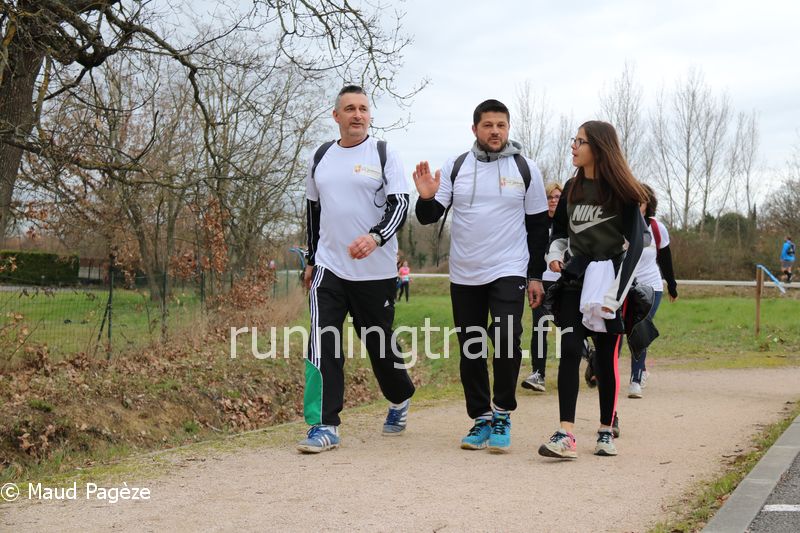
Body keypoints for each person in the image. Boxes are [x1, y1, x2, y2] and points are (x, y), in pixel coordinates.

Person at [414, 99, 550, 453]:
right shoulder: (457, 166)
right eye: (488, 125)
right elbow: (429, 215)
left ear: (508, 128)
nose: (495, 131)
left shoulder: (526, 168)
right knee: (472, 347)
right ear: (475, 129)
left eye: (501, 125)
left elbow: (538, 226)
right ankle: (481, 417)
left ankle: (502, 412)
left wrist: (535, 275)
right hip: (465, 272)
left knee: (506, 337)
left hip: (509, 267)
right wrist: (426, 197)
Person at [297, 85, 415, 453]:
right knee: (323, 342)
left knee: (378, 343)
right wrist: (311, 259)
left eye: (363, 108)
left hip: (375, 272)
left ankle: (400, 396)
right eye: (350, 108)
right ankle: (324, 424)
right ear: (336, 116)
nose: (357, 115)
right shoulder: (321, 156)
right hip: (329, 268)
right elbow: (313, 212)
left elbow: (400, 204)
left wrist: (376, 237)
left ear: (370, 115)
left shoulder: (384, 153)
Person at [538, 120, 647, 459]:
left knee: (604, 357)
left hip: (610, 282)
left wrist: (616, 295)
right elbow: (558, 234)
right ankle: (566, 434)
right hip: (575, 279)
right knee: (570, 349)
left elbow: (636, 246)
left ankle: (604, 430)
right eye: (574, 140)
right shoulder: (571, 187)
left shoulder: (623, 192)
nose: (573, 146)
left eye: (580, 141)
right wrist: (555, 256)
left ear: (598, 147)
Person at [628, 184, 678, 399]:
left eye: (640, 201)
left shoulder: (657, 228)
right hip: (626, 287)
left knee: (639, 329)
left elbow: (665, 259)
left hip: (651, 288)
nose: (636, 205)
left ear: (647, 204)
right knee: (624, 331)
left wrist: (672, 286)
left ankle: (635, 379)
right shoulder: (621, 225)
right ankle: (640, 368)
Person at [521, 182, 563, 393]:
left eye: (557, 197)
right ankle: (538, 373)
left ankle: (590, 357)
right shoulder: (537, 223)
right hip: (540, 282)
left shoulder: (567, 223)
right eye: (549, 197)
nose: (553, 200)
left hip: (564, 282)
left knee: (569, 328)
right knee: (539, 327)